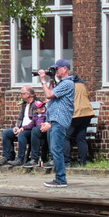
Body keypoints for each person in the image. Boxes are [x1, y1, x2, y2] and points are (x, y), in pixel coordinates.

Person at [39, 59, 76, 187]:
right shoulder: (61, 84)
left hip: (59, 121)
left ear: (64, 69)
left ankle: (61, 179)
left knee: (56, 150)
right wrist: (50, 80)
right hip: (55, 120)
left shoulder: (68, 83)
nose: (56, 71)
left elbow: (48, 95)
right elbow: (50, 94)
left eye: (57, 69)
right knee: (55, 149)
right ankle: (60, 178)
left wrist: (43, 80)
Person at [0, 86, 37, 166]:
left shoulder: (36, 104)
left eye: (22, 93)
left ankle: (20, 158)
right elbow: (20, 118)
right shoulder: (24, 105)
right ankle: (7, 157)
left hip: (30, 130)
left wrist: (23, 129)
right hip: (22, 128)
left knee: (22, 134)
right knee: (6, 133)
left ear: (28, 94)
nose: (20, 95)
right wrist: (17, 127)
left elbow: (35, 121)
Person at [69, 76, 95, 166]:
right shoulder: (83, 85)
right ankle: (82, 161)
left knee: (65, 137)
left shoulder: (69, 86)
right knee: (81, 138)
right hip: (87, 113)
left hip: (76, 113)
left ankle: (65, 161)